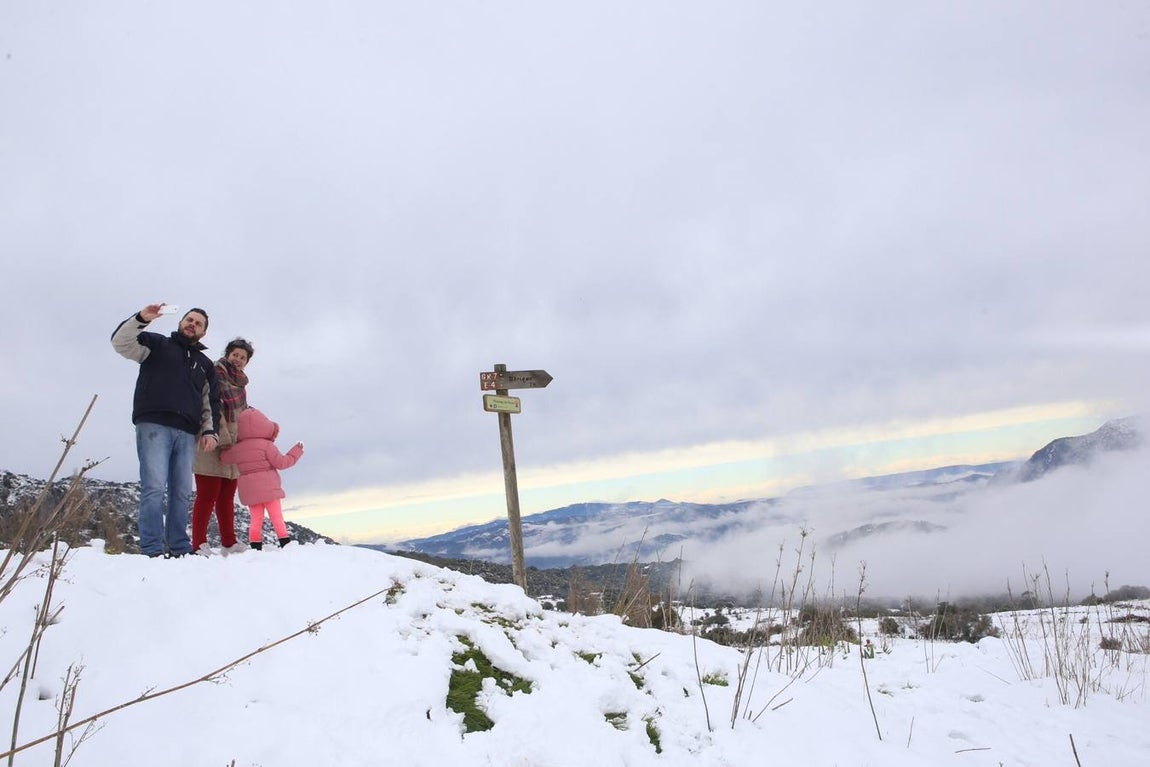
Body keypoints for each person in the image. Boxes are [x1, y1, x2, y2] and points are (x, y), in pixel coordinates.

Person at [111, 303, 221, 558]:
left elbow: (209, 402)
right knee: (154, 487)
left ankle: (180, 547)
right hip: (154, 425)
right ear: (181, 322)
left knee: (181, 492)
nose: (192, 324)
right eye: (189, 320)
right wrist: (141, 318)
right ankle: (152, 549)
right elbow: (121, 343)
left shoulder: (205, 364)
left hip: (187, 433)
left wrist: (209, 432)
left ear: (203, 333)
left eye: (198, 323)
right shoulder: (157, 345)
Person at [191, 337, 256, 556]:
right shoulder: (215, 374)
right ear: (227, 354)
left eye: (243, 357)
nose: (238, 360)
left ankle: (229, 541)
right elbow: (209, 406)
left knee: (227, 496)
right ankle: (198, 543)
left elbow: (242, 415)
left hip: (233, 446)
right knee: (208, 494)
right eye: (235, 355)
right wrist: (224, 439)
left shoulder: (240, 384)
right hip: (212, 440)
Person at [220, 407, 304, 549]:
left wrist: (227, 445)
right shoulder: (266, 445)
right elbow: (282, 463)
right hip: (269, 488)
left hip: (250, 490)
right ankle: (285, 543)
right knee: (276, 517)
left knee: (256, 520)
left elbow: (224, 458)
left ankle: (255, 546)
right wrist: (296, 452)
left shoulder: (238, 448)